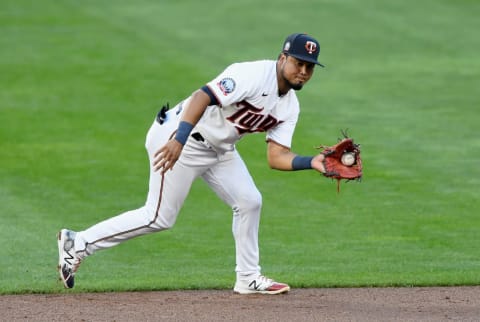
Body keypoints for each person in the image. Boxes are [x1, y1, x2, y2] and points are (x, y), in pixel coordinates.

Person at [57, 33, 327, 295]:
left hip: (219, 149)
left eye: (309, 67)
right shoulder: (254, 75)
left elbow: (276, 156)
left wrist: (312, 162)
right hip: (181, 138)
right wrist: (179, 140)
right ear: (282, 58)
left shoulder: (290, 107)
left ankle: (247, 277)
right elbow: (202, 96)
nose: (303, 71)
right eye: (298, 63)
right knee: (158, 216)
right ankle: (77, 242)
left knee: (249, 201)